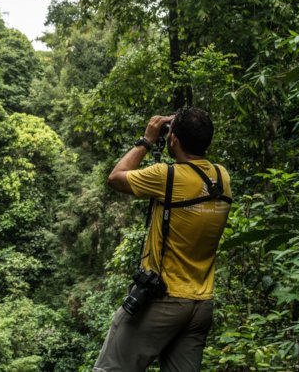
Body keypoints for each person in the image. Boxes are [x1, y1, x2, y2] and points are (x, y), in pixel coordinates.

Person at [93, 106, 232, 372]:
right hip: (200, 306)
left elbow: (115, 178)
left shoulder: (166, 176)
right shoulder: (222, 177)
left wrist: (146, 140)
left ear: (173, 139)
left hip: (162, 298)